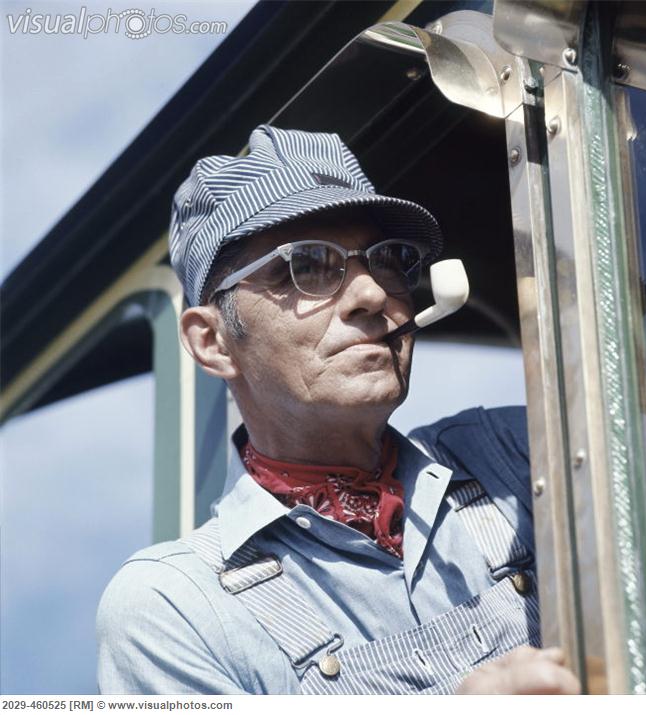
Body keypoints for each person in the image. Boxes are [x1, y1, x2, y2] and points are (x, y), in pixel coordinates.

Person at [96, 124, 581, 695]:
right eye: (307, 266)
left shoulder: (516, 448)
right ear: (213, 341)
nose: (373, 293)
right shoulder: (174, 610)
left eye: (389, 260)